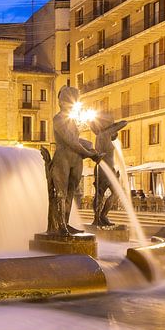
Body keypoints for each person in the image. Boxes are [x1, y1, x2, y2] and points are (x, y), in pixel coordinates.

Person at [49, 85, 100, 235]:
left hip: (76, 159)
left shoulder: (72, 121)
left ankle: (66, 223)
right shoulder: (58, 119)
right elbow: (70, 141)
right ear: (61, 102)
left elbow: (76, 140)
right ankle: (59, 225)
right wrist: (90, 154)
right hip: (62, 158)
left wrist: (90, 148)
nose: (72, 106)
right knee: (61, 193)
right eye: (69, 102)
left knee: (71, 192)